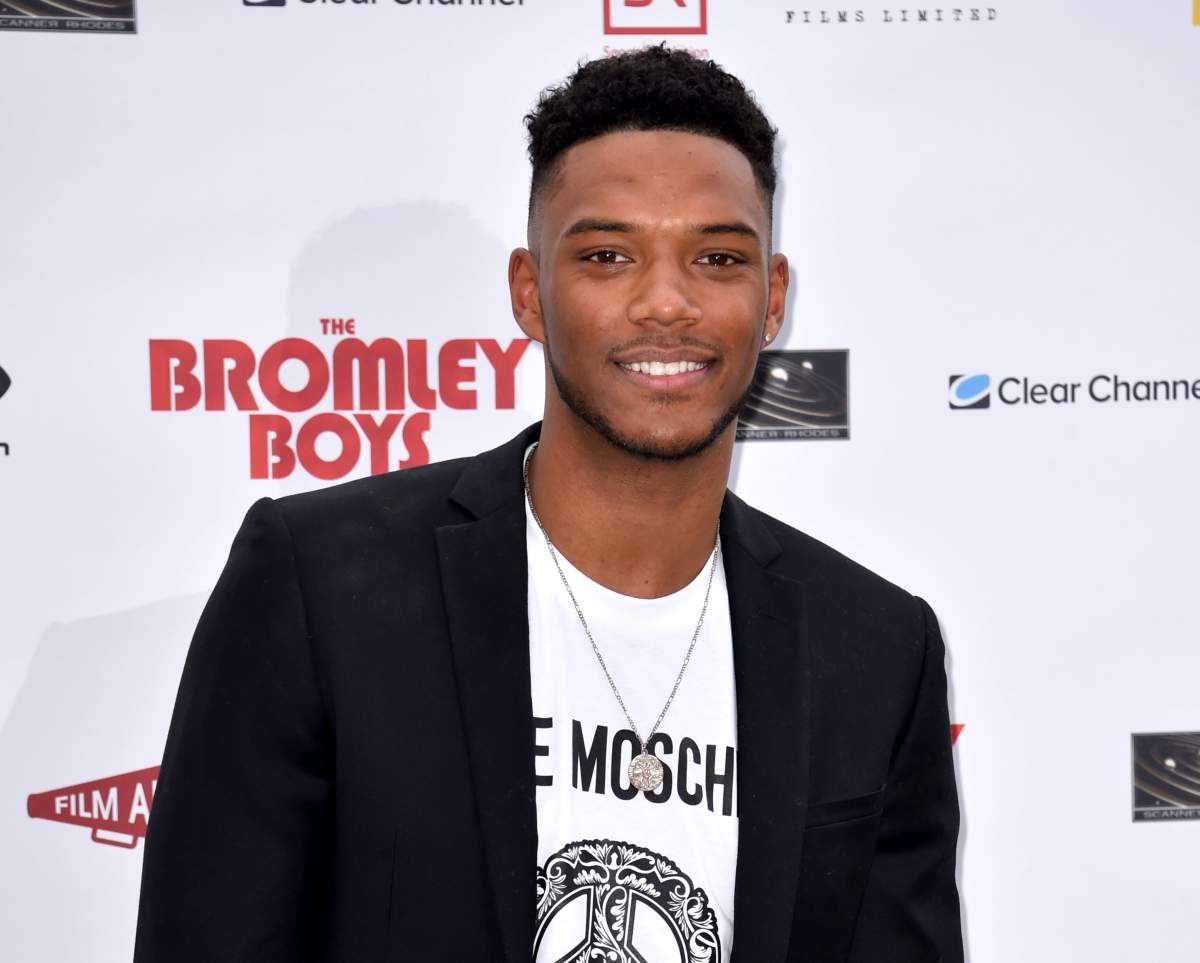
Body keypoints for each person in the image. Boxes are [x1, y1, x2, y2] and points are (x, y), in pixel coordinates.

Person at [133, 46, 964, 963]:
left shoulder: (877, 649)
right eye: (608, 255)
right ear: (531, 293)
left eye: (718, 257)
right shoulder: (321, 585)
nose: (666, 303)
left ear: (771, 301)